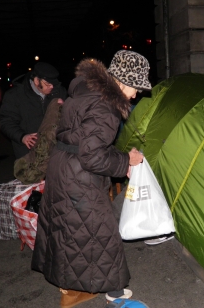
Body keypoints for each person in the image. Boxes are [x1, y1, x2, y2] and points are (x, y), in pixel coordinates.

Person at [31, 50, 152, 308]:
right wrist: (125, 162)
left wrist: (119, 158)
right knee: (101, 232)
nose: (137, 94)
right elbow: (92, 157)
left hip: (63, 168)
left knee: (73, 233)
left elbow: (85, 142)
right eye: (137, 87)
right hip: (78, 176)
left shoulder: (88, 92)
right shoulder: (106, 106)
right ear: (122, 82)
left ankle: (75, 287)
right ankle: (114, 291)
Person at [0, 62, 68, 159]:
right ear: (36, 80)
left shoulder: (59, 92)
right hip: (28, 153)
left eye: (53, 83)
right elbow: (6, 122)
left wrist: (66, 107)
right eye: (47, 83)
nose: (52, 87)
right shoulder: (15, 96)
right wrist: (22, 137)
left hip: (55, 152)